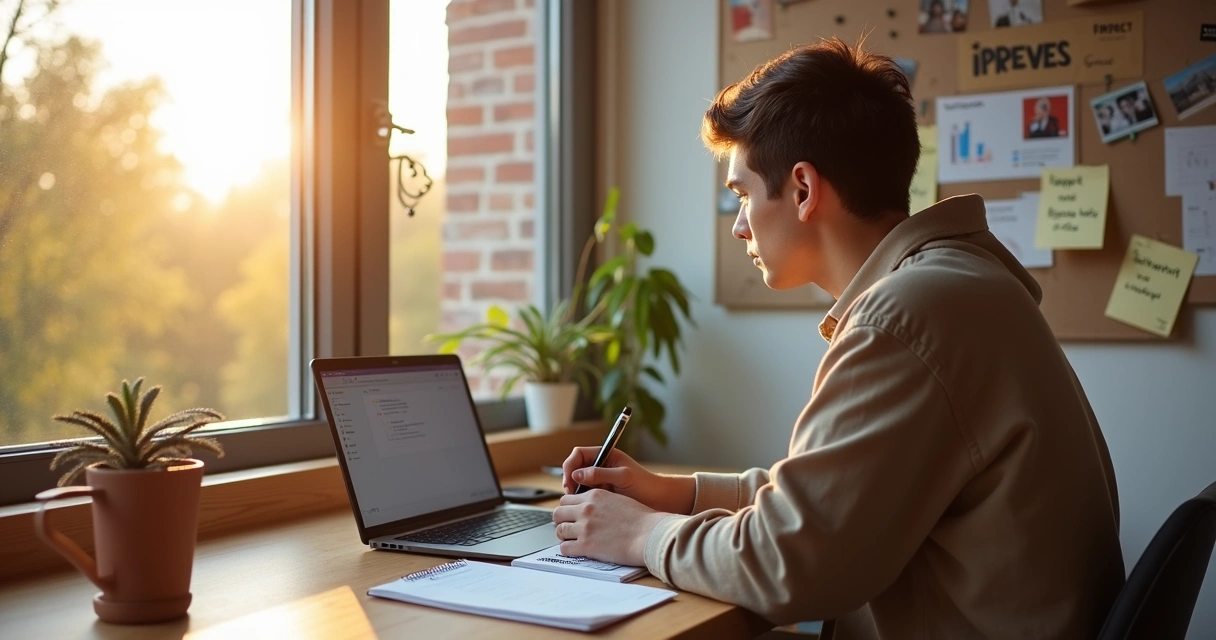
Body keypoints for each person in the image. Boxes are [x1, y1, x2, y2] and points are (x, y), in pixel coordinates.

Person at [551, 39, 1125, 639]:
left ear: (803, 189)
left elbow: (789, 563)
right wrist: (671, 493)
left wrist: (640, 533)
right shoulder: (955, 285)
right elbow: (832, 502)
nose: (740, 226)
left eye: (743, 194)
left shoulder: (905, 318)